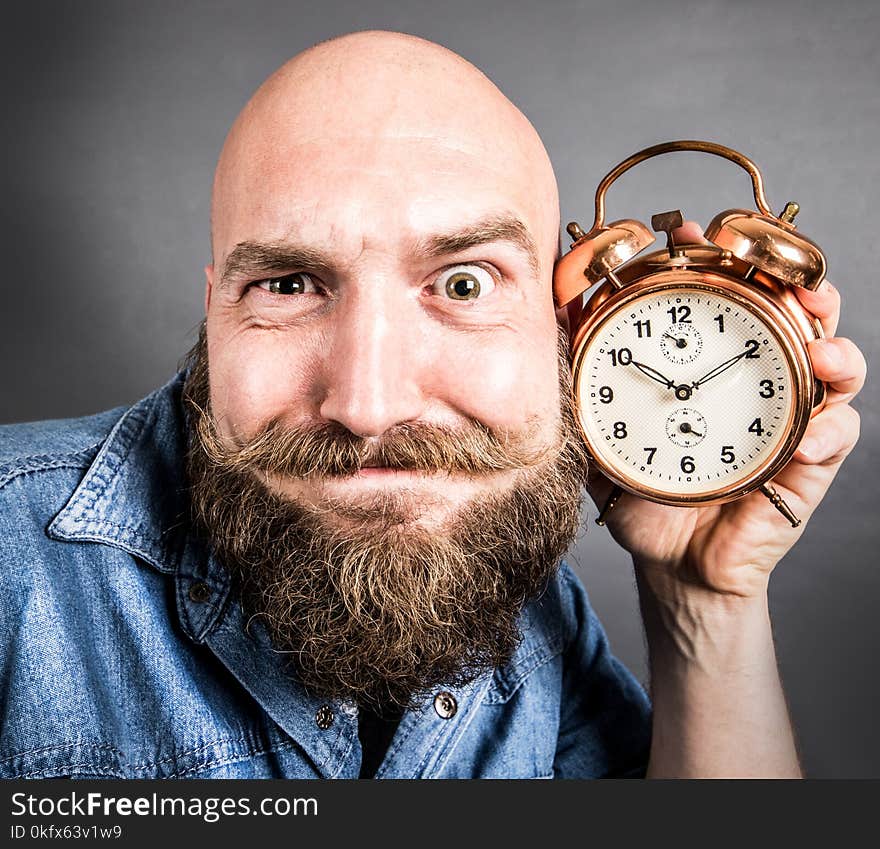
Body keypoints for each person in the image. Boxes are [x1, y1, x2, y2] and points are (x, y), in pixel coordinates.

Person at [0, 31, 865, 780]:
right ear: (217, 307)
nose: (369, 407)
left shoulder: (522, 602)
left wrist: (702, 599)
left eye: (462, 282)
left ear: (563, 336)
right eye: (290, 285)